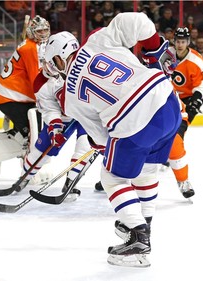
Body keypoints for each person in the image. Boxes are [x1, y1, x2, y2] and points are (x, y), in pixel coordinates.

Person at [46, 12, 181, 267]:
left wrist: (104, 148)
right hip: (166, 100)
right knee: (147, 168)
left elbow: (101, 136)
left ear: (60, 56)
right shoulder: (97, 39)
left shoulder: (70, 98)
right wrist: (155, 48)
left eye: (53, 63)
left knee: (112, 176)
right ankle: (145, 220)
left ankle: (139, 235)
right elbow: (136, 20)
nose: (54, 70)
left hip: (135, 122)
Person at [0, 15, 50, 177]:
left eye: (45, 30)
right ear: (31, 32)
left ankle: (27, 169)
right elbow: (37, 80)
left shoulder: (32, 46)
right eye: (39, 31)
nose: (42, 34)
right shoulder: (30, 48)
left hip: (16, 97)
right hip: (11, 97)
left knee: (29, 136)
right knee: (28, 137)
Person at [15, 31, 90, 200]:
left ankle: (70, 184)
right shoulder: (42, 81)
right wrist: (55, 129)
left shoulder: (84, 67)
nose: (47, 66)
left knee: (85, 147)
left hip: (86, 114)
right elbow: (49, 109)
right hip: (64, 117)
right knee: (41, 152)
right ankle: (24, 178)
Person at [167, 27, 203, 198]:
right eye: (177, 41)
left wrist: (196, 101)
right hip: (166, 99)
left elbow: (202, 85)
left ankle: (183, 180)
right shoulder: (166, 55)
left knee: (177, 136)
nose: (180, 44)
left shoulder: (196, 61)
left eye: (183, 41)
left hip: (187, 102)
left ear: (188, 42)